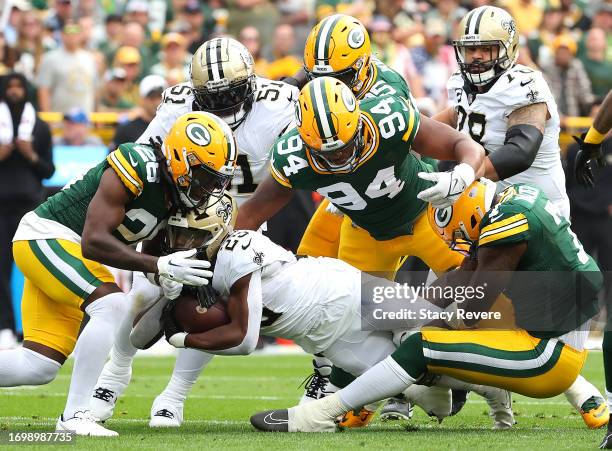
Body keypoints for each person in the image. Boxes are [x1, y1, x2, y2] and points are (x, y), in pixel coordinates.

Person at [250, 179, 607, 433]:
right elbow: (463, 276)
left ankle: (321, 414)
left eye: (461, 234)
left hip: (547, 352)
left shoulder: (505, 228)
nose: (460, 243)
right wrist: (398, 306)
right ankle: (568, 392)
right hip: (547, 323)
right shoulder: (506, 200)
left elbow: (473, 308)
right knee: (409, 320)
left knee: (420, 343)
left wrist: (410, 321)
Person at [140, 194, 512, 428]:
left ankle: (508, 382)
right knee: (428, 391)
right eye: (179, 235)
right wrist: (165, 286)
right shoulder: (186, 265)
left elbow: (245, 339)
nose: (182, 243)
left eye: (190, 235)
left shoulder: (240, 246)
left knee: (432, 336)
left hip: (345, 292)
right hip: (329, 337)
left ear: (216, 230)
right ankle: (483, 385)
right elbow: (137, 338)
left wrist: (182, 336)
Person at [91, 37, 299, 428]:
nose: (221, 105)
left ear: (251, 84)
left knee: (212, 306)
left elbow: (300, 162)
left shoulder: (280, 104)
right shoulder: (178, 102)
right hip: (184, 212)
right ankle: (114, 373)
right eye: (211, 97)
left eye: (231, 95)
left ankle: (174, 396)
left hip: (244, 215)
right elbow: (143, 155)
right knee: (148, 292)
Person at [1, 112, 236, 437]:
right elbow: (94, 240)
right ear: (182, 159)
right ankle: (74, 416)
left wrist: (163, 276)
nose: (210, 187)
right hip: (47, 236)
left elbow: (150, 254)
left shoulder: (176, 198)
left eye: (219, 180)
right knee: (111, 305)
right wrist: (158, 267)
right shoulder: (138, 162)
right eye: (207, 176)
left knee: (37, 365)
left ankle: (74, 413)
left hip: (68, 251)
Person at [433, 6, 571, 220]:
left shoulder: (523, 85)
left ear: (509, 48)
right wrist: (411, 132)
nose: (476, 56)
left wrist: (464, 175)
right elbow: (458, 115)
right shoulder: (461, 83)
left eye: (486, 48)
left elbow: (520, 152)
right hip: (488, 207)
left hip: (539, 212)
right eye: (470, 49)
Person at [0, 72, 54, 350]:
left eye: (19, 86)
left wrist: (30, 153)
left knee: (36, 269)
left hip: (29, 207)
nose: (14, 91)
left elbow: (49, 170)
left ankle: (36, 328)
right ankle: (5, 327)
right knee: (1, 270)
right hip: (0, 206)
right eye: (9, 87)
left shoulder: (40, 127)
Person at [37, 22, 98, 113]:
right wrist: (48, 119)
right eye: (68, 32)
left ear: (81, 35)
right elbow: (43, 90)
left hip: (84, 119)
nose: (72, 36)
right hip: (59, 118)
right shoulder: (50, 58)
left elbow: (94, 90)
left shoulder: (89, 59)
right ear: (62, 35)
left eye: (75, 32)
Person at [540, 34, 594, 126]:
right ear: (555, 52)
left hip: (573, 118)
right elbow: (547, 96)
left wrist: (595, 107)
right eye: (560, 52)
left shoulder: (576, 66)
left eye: (566, 52)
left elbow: (585, 91)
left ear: (571, 54)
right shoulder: (546, 69)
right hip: (552, 119)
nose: (563, 55)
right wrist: (558, 116)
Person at [109, 75, 167, 149]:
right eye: (152, 97)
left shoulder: (171, 126)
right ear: (142, 99)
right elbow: (113, 158)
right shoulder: (126, 129)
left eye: (160, 97)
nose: (156, 102)